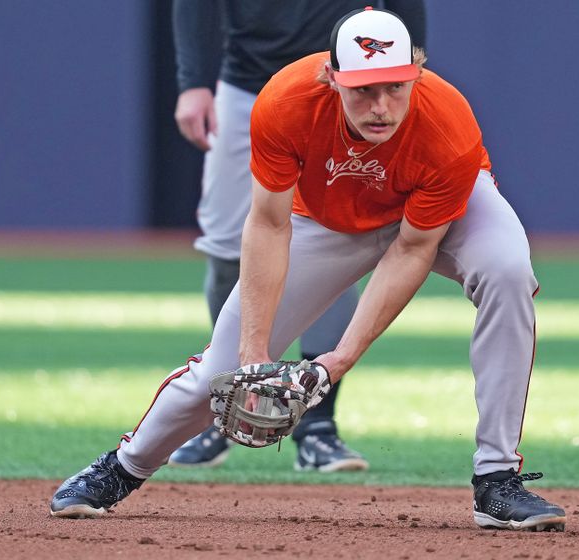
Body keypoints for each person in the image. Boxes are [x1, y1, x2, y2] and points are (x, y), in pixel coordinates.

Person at [50, 7, 567, 531]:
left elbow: (412, 250)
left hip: (435, 212)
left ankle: (496, 478)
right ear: (331, 78)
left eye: (394, 86)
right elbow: (269, 226)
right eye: (362, 89)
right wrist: (253, 357)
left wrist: (336, 362)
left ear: (415, 72)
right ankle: (121, 468)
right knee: (220, 370)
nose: (381, 106)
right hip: (329, 219)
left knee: (507, 272)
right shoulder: (286, 101)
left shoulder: (446, 121)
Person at [169, 0, 426, 471]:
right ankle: (226, 405)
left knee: (340, 242)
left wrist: (405, 79)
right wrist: (194, 83)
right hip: (247, 83)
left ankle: (317, 424)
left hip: (351, 89)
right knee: (229, 251)